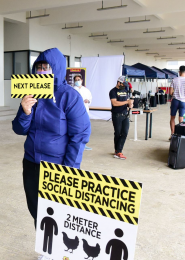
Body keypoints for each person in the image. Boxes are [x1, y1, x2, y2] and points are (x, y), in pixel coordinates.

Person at [12, 48, 91, 260]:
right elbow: (19, 129)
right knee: (36, 209)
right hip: (31, 163)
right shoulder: (31, 93)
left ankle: (60, 252)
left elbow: (80, 135)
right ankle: (48, 248)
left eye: (46, 67)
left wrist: (69, 170)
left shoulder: (69, 97)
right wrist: (25, 111)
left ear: (56, 69)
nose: (41, 72)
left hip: (58, 165)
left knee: (58, 211)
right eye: (38, 67)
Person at [109, 76, 133, 160]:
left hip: (125, 114)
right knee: (118, 133)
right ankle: (117, 151)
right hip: (117, 115)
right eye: (123, 84)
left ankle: (119, 151)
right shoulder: (113, 91)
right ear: (118, 82)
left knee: (125, 133)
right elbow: (114, 103)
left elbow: (126, 102)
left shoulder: (125, 91)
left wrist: (130, 104)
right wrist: (127, 101)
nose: (124, 86)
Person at [169, 66, 185, 139]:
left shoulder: (174, 80)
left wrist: (175, 94)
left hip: (175, 101)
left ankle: (172, 134)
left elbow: (170, 92)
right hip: (183, 101)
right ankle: (180, 135)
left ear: (179, 72)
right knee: (181, 118)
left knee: (172, 118)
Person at [73, 74, 93, 151]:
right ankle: (77, 144)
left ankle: (84, 144)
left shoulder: (86, 90)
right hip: (76, 112)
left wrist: (88, 101)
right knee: (77, 128)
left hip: (85, 111)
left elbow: (90, 98)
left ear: (81, 80)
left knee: (85, 129)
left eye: (79, 79)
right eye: (76, 80)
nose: (77, 81)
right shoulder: (73, 90)